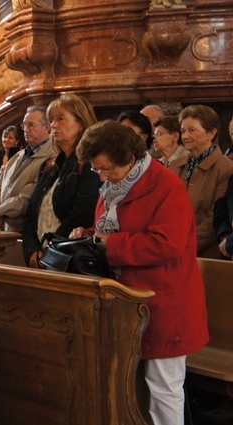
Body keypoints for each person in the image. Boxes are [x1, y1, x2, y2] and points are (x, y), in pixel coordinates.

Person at [72, 120, 208, 425]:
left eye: (107, 168)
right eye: (96, 169)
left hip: (164, 302)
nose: (102, 176)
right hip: (125, 302)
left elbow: (168, 243)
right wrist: (89, 234)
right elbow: (113, 227)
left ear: (130, 159)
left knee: (164, 390)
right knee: (129, 390)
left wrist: (110, 244)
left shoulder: (165, 185)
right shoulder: (114, 186)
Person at [22, 93, 102, 267]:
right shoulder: (49, 165)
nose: (53, 125)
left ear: (80, 124)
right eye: (52, 120)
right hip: (41, 256)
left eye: (60, 119)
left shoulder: (91, 165)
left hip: (67, 257)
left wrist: (50, 249)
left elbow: (82, 215)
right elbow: (30, 211)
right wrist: (32, 249)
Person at [168, 104, 233, 258]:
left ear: (211, 133)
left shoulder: (226, 168)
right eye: (183, 131)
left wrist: (182, 244)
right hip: (171, 246)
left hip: (205, 253)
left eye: (192, 130)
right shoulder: (174, 165)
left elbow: (215, 217)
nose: (185, 136)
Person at [0, 105, 56, 232]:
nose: (26, 130)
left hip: (28, 230)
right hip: (7, 228)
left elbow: (26, 198)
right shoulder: (17, 156)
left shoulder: (51, 157)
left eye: (31, 125)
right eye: (24, 125)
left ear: (47, 127)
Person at [0, 125, 21, 191]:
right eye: (5, 137)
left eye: (10, 138)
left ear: (16, 141)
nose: (6, 140)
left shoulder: (18, 156)